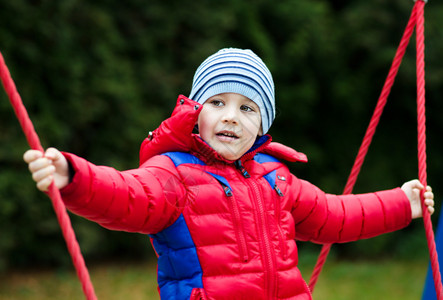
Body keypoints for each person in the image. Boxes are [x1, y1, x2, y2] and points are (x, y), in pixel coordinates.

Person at [23, 48, 434, 300]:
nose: (231, 117)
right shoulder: (173, 174)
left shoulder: (278, 178)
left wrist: (404, 203)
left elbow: (336, 215)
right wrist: (72, 176)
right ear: (195, 112)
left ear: (262, 125)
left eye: (247, 108)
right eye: (217, 102)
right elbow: (128, 194)